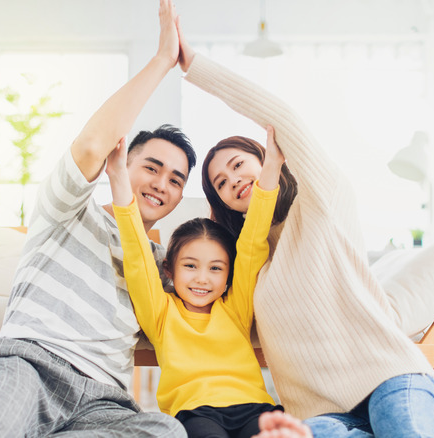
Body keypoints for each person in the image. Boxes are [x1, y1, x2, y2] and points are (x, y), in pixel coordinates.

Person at [0, 1, 193, 436]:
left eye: (176, 180)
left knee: (168, 432)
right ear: (122, 163)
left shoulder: (162, 263)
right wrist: (164, 60)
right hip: (29, 366)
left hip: (104, 399)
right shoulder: (68, 210)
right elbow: (91, 145)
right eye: (152, 167)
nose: (162, 183)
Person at [176, 19, 434, 438]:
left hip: (389, 373)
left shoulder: (321, 199)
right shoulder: (249, 262)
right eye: (222, 184)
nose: (233, 181)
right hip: (319, 413)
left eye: (238, 165)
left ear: (268, 157)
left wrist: (196, 67)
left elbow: (283, 117)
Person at [106, 125, 310, 438]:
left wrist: (271, 166)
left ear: (229, 277)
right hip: (196, 413)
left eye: (216, 269)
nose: (203, 278)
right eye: (190, 266)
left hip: (257, 409)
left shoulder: (235, 308)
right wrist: (119, 178)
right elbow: (135, 255)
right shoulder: (160, 312)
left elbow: (253, 241)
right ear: (169, 272)